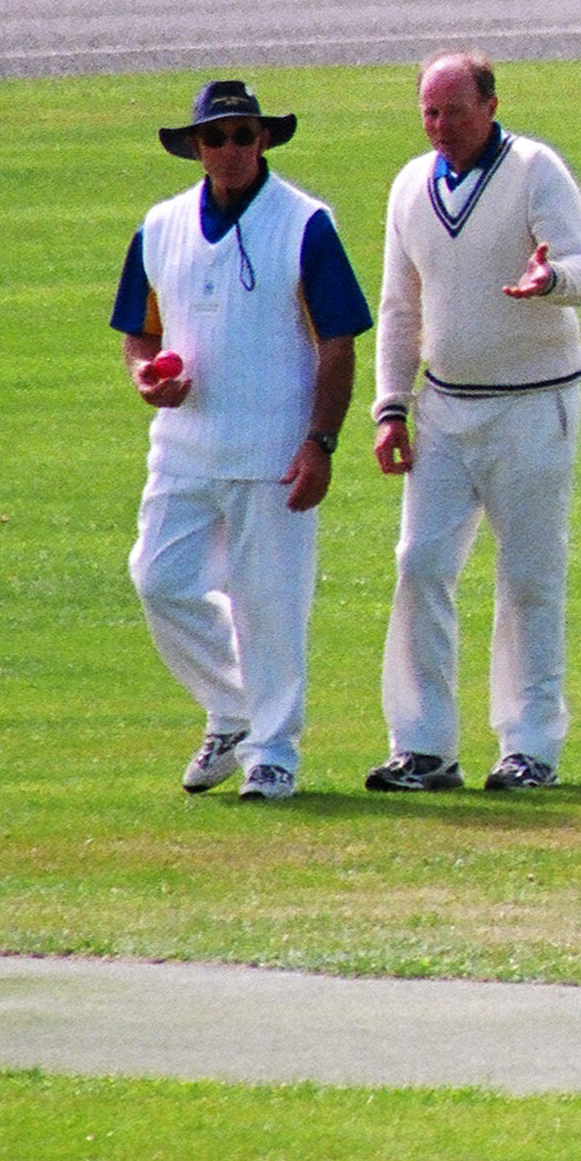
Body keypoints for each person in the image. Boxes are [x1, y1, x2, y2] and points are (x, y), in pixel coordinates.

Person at [111, 78, 371, 802]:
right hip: (185, 447)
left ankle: (273, 752)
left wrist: (321, 440)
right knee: (158, 579)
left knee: (271, 605)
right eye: (216, 136)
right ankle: (233, 709)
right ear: (195, 146)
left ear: (263, 140)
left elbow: (339, 341)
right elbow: (141, 331)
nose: (230, 148)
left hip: (273, 450)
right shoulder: (159, 226)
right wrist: (144, 377)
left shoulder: (305, 222)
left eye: (243, 135)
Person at [364, 51, 581, 797]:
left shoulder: (535, 170)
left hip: (535, 402)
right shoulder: (410, 184)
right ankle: (424, 745)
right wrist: (390, 407)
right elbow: (400, 309)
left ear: (490, 105)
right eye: (429, 112)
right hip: (444, 407)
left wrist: (549, 280)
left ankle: (529, 746)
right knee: (420, 564)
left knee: (530, 574)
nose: (440, 127)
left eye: (454, 111)